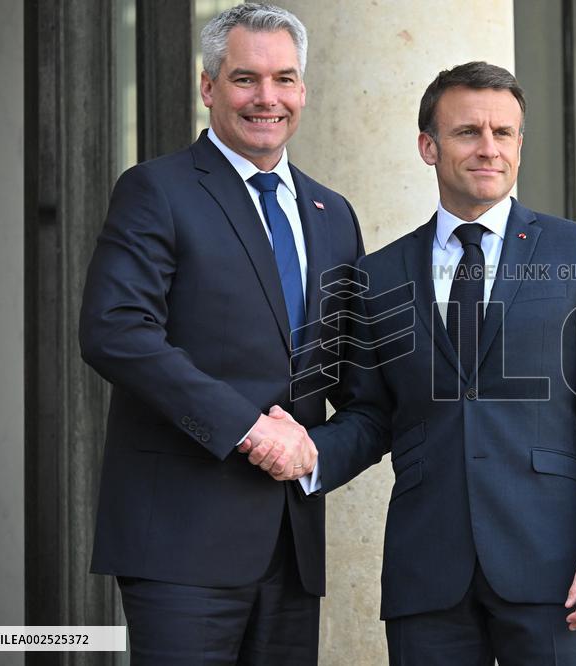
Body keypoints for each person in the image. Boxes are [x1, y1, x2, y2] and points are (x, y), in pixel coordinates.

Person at [278, 61, 576, 666]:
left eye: (504, 134)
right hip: (428, 572)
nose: (488, 148)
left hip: (557, 569)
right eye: (467, 132)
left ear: (520, 146)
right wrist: (308, 454)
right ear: (429, 146)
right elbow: (370, 415)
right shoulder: (379, 276)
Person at [78, 3, 365, 663]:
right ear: (209, 88)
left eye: (285, 79)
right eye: (245, 79)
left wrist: (318, 454)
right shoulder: (157, 190)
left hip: (292, 549)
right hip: (181, 541)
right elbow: (115, 330)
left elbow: (360, 381)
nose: (268, 98)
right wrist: (250, 426)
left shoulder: (332, 213)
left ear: (303, 89)